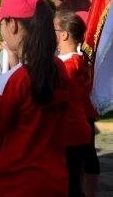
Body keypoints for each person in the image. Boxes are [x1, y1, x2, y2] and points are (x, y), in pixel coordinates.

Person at [0, 0, 70, 195]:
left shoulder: (12, 82)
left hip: (14, 186)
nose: (0, 29)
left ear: (12, 24)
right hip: (55, 182)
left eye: (2, 22)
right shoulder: (60, 68)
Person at [55, 10, 100, 196]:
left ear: (64, 35)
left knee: (70, 182)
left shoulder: (67, 66)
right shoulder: (80, 61)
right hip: (78, 128)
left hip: (69, 130)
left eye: (54, 30)